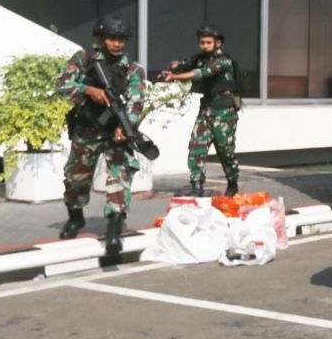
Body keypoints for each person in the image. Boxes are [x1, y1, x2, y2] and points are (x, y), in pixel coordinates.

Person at [56, 15, 147, 255]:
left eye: (121, 39)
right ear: (100, 38)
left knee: (120, 177)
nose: (117, 43)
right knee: (75, 179)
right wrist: (89, 90)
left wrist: (125, 127)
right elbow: (62, 85)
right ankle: (76, 218)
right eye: (112, 38)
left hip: (115, 134)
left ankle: (115, 228)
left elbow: (136, 102)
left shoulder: (133, 69)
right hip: (86, 130)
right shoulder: (84, 60)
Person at [159, 24, 242, 197]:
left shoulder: (223, 62)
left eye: (208, 42)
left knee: (225, 152)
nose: (204, 46)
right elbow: (187, 66)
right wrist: (175, 68)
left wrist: (174, 77)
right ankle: (197, 186)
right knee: (196, 148)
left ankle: (232, 182)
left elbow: (201, 74)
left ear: (218, 43)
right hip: (205, 112)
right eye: (202, 42)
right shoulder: (201, 59)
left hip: (224, 114)